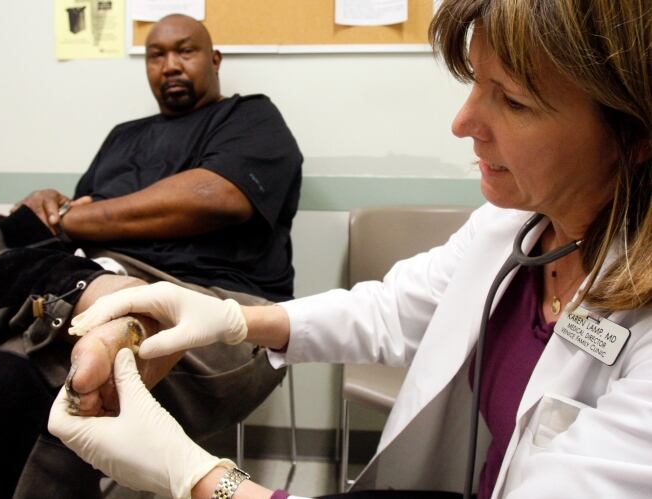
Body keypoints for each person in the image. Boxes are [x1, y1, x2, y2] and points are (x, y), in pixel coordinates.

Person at [48, 0, 652, 498]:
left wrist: (197, 476)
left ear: (634, 132)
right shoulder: (514, 228)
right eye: (474, 84)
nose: (463, 122)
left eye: (513, 100)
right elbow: (391, 311)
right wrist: (233, 320)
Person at [0, 13, 302, 499]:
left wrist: (68, 220)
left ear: (215, 58)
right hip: (95, 288)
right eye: (156, 55)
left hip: (220, 308)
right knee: (2, 366)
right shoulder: (124, 136)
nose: (170, 65)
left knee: (51, 383)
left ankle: (22, 304)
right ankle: (31, 297)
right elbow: (83, 219)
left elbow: (213, 197)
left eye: (186, 51)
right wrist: (50, 208)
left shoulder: (250, 118)